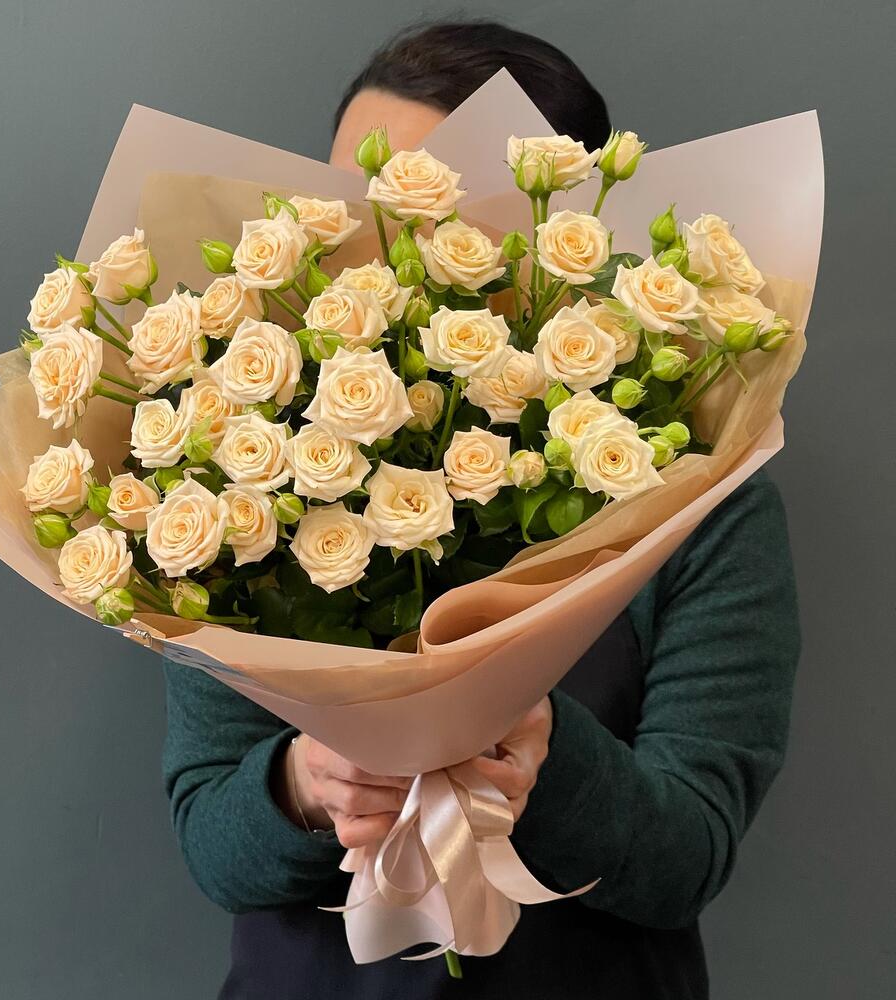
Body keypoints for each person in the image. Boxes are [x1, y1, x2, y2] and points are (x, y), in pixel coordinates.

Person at [161, 19, 800, 1000]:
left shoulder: (702, 502)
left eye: (433, 204)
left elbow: (690, 856)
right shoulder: (240, 475)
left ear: (562, 224)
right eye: (357, 198)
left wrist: (540, 754)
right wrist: (303, 784)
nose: (379, 241)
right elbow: (211, 845)